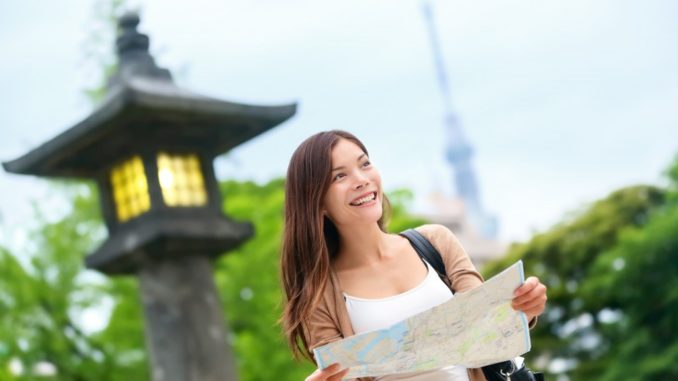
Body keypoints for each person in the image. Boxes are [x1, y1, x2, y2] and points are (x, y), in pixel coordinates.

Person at [280, 130, 547, 381]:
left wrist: (522, 307)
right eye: (339, 176)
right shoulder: (318, 295)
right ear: (318, 202)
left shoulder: (435, 241)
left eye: (365, 164)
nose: (361, 180)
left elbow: (487, 320)